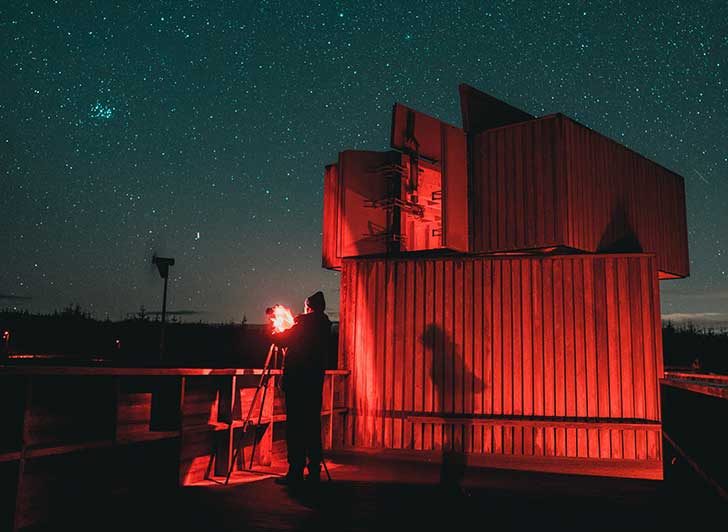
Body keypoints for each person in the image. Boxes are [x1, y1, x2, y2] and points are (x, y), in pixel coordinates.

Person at [271, 291, 331, 486]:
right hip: (314, 384)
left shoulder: (304, 326)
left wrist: (274, 330)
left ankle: (295, 470)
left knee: (295, 428)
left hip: (298, 384)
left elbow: (281, 340)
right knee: (312, 426)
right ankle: (314, 469)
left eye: (306, 307)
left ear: (309, 307)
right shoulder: (324, 326)